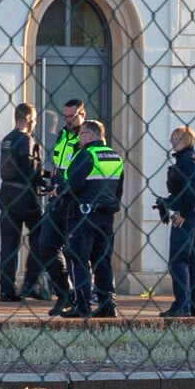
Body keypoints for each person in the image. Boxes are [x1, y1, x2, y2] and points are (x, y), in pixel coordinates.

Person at [59, 120, 124, 318]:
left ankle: (82, 305)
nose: (79, 137)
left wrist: (59, 191)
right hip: (106, 216)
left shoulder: (86, 154)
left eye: (82, 133)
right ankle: (107, 305)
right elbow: (118, 190)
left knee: (78, 259)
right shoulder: (115, 156)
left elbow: (75, 184)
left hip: (84, 215)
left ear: (90, 135)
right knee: (102, 260)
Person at [37, 99, 85, 316]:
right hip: (57, 199)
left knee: (76, 251)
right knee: (46, 245)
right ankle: (64, 293)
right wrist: (50, 180)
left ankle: (81, 298)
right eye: (64, 115)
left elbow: (82, 170)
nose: (67, 120)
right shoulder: (63, 134)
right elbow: (59, 165)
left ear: (82, 114)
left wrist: (64, 187)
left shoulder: (86, 137)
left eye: (71, 116)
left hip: (75, 200)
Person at [0, 103, 49, 302]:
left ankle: (6, 290)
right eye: (34, 119)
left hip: (7, 193)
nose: (35, 123)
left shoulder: (7, 139)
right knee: (41, 238)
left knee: (9, 244)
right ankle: (30, 283)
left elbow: (16, 166)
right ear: (27, 118)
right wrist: (45, 181)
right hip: (25, 195)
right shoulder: (25, 139)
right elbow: (28, 168)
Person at [158, 125, 195, 317]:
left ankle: (182, 305)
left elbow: (194, 191)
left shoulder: (186, 161)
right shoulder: (192, 159)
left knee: (178, 260)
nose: (172, 141)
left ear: (186, 140)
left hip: (188, 214)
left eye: (176, 138)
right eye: (172, 137)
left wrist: (183, 213)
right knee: (193, 260)